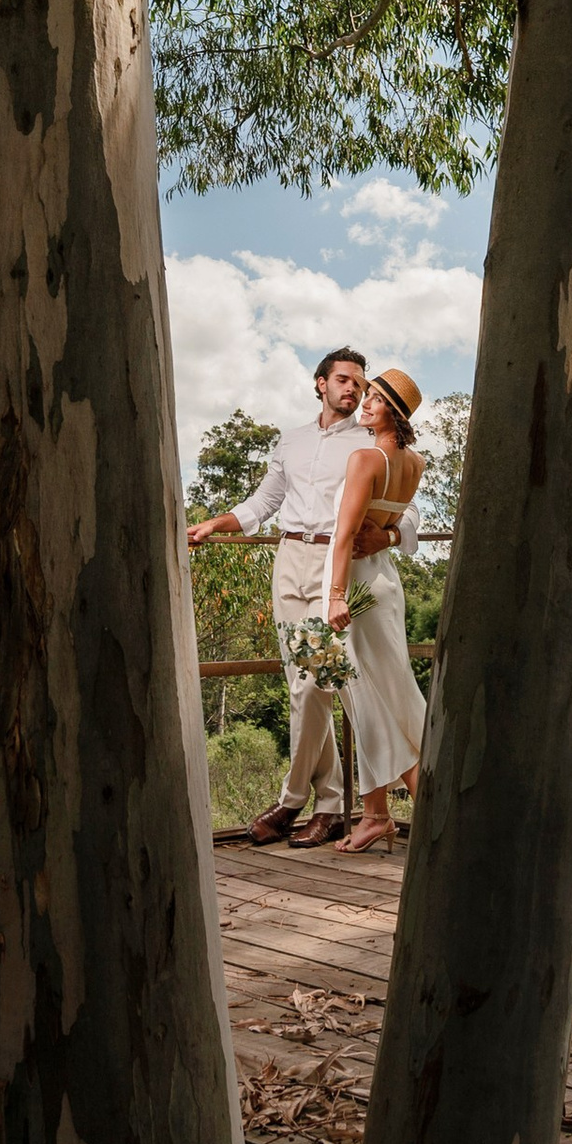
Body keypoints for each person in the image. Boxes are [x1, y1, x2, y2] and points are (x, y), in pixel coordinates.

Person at [187, 346, 366, 843]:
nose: (352, 389)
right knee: (301, 687)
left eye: (359, 383)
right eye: (344, 380)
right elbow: (264, 501)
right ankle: (331, 806)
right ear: (321, 383)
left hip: (334, 565)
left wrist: (388, 534)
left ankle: (291, 801)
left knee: (315, 685)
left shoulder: (369, 441)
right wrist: (215, 524)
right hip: (288, 561)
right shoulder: (292, 440)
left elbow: (397, 505)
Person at [326, 367, 428, 854]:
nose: (365, 403)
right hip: (385, 582)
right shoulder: (416, 463)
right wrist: (387, 535)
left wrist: (334, 595)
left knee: (377, 697)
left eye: (376, 399)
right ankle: (376, 815)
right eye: (367, 395)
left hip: (358, 586)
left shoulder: (365, 458)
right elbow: (399, 520)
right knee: (384, 693)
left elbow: (345, 534)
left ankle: (433, 809)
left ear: (395, 413)